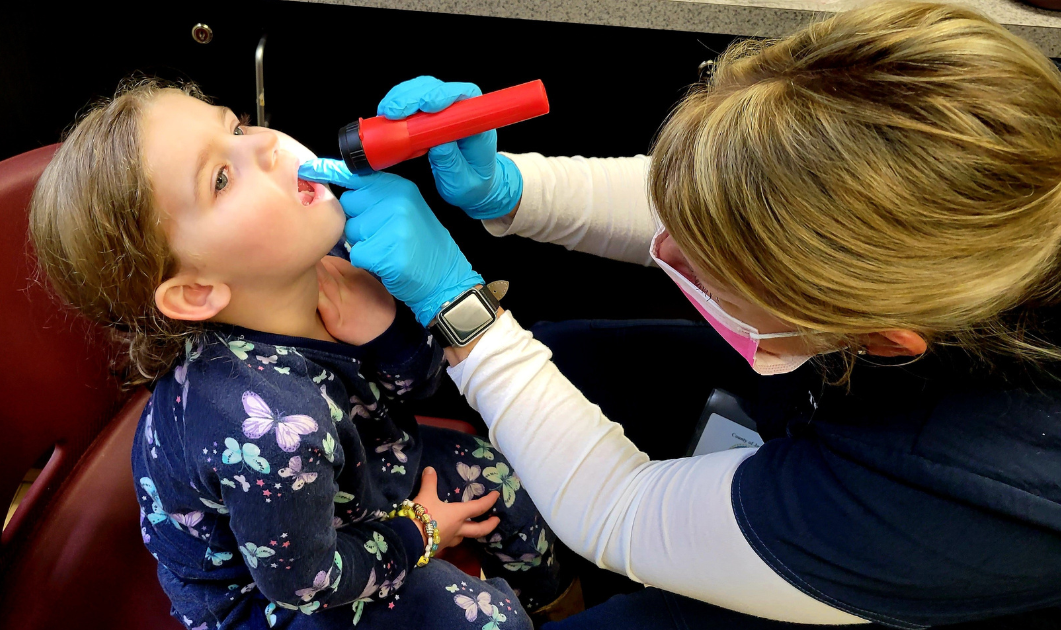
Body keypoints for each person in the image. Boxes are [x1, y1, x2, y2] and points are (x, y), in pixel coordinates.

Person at [297, 2, 1061, 628]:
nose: (666, 250)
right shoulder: (989, 174)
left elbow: (618, 512)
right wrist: (508, 189)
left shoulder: (958, 498)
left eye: (709, 261)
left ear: (877, 337)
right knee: (563, 360)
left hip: (892, 558)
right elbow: (736, 200)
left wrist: (459, 311)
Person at [27, 78, 567, 629]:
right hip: (276, 593)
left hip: (357, 474)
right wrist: (418, 531)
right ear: (196, 293)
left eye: (235, 127)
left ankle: (559, 605)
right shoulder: (263, 425)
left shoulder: (315, 251)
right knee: (485, 619)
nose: (264, 144)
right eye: (220, 178)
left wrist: (386, 330)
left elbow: (420, 386)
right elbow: (305, 583)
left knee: (500, 477)